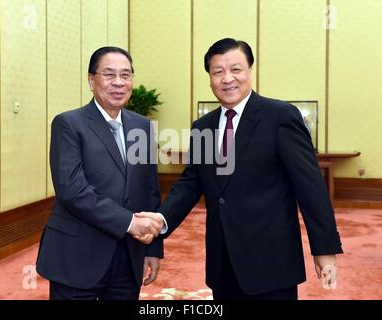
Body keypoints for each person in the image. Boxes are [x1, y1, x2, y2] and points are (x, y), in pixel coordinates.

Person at [136, 38, 343, 300]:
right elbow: (190, 184)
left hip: (271, 262)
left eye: (236, 69)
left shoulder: (280, 116)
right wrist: (160, 221)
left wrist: (324, 249)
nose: (227, 79)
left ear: (250, 72)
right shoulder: (203, 127)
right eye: (218, 72)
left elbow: (310, 187)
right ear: (209, 78)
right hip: (222, 262)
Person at [36, 46, 164, 300]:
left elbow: (150, 190)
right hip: (77, 255)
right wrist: (130, 224)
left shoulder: (143, 127)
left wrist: (153, 248)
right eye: (109, 74)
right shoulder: (69, 124)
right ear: (91, 80)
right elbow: (72, 190)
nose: (118, 82)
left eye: (125, 75)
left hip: (129, 257)